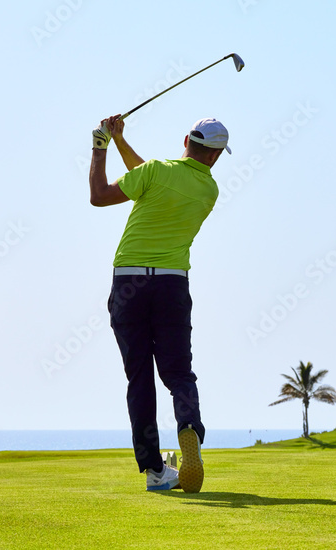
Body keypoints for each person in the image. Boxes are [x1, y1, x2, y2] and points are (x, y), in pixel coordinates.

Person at [88, 114, 230, 493]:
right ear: (215, 156)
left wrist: (100, 146)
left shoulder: (154, 172)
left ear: (186, 139)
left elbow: (100, 196)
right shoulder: (208, 191)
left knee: (140, 376)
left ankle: (154, 470)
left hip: (130, 283)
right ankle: (188, 428)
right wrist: (120, 141)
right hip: (171, 286)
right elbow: (148, 177)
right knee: (179, 372)